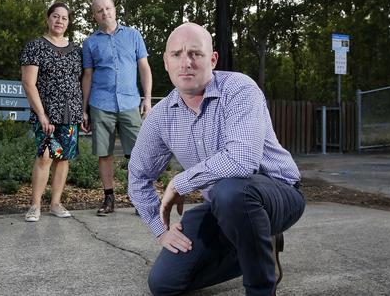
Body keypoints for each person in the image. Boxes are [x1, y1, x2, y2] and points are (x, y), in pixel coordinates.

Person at [128, 23, 305, 296]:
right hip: (224, 207)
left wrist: (180, 182)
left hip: (278, 194)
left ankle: (260, 287)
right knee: (164, 284)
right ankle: (259, 248)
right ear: (165, 62)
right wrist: (160, 230)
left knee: (230, 191)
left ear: (212, 59)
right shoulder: (161, 117)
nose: (186, 63)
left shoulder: (239, 89)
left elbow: (242, 160)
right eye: (176, 54)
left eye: (195, 54)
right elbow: (137, 176)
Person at [81, 0, 153, 216]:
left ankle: (138, 197)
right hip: (100, 104)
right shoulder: (90, 43)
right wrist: (84, 110)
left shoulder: (133, 35)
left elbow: (144, 68)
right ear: (95, 16)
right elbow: (87, 76)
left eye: (108, 8)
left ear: (115, 10)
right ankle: (109, 198)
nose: (105, 13)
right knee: (105, 153)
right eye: (100, 10)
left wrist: (147, 98)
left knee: (137, 153)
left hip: (130, 101)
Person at [20, 2, 83, 222]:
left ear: (68, 23)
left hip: (71, 111)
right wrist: (41, 114)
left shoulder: (77, 50)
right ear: (48, 19)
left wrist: (83, 111)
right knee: (45, 156)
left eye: (64, 18)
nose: (59, 21)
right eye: (55, 16)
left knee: (63, 158)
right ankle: (35, 205)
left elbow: (81, 81)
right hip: (45, 112)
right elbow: (29, 83)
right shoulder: (35, 46)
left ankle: (55, 203)